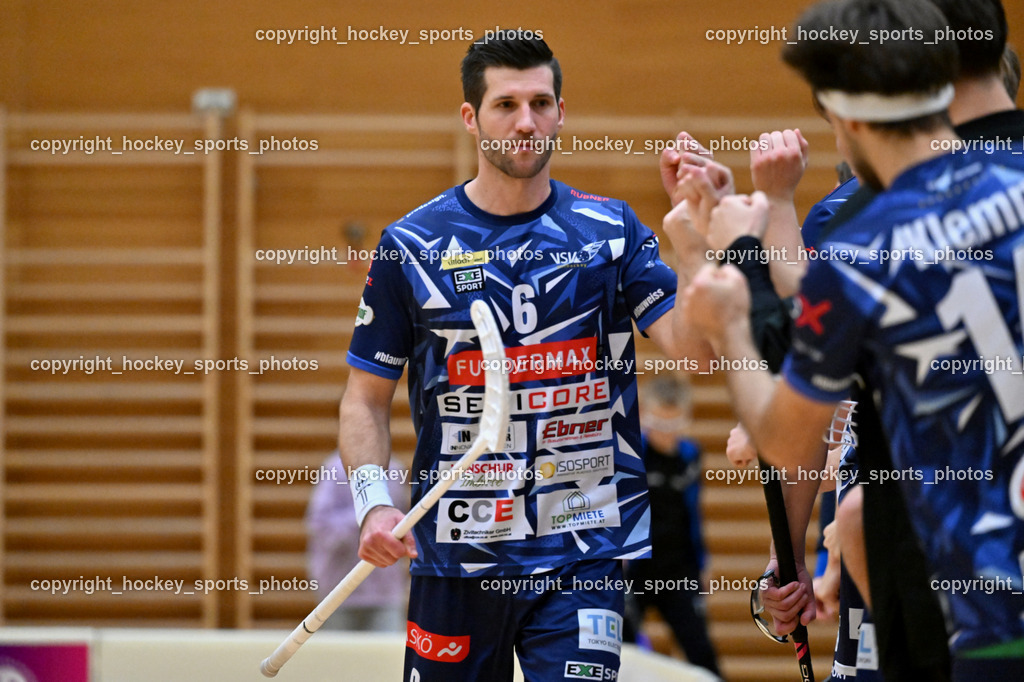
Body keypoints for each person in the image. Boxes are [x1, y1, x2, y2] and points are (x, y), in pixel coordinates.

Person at [338, 33, 707, 681]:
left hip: (581, 553)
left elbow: (696, 352)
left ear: (562, 112)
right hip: (455, 555)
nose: (526, 121)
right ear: (471, 117)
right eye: (506, 104)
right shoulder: (412, 245)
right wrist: (372, 503)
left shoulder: (611, 232)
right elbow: (364, 400)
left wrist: (696, 234)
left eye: (540, 103)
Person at [681, 0, 1024, 679]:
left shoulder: (867, 244)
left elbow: (786, 437)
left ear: (852, 115)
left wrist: (732, 319)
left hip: (980, 616)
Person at [624, 375, 720, 676]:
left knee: (701, 651)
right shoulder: (631, 454)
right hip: (636, 567)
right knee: (622, 651)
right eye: (659, 424)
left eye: (674, 424)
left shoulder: (690, 455)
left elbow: (692, 513)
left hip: (678, 569)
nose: (666, 433)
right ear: (644, 416)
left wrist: (702, 563)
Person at [304, 453, 409, 632]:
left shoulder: (394, 470)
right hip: (339, 590)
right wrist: (368, 514)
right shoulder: (335, 469)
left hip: (386, 592)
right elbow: (320, 526)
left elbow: (404, 526)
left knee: (388, 649)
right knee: (338, 650)